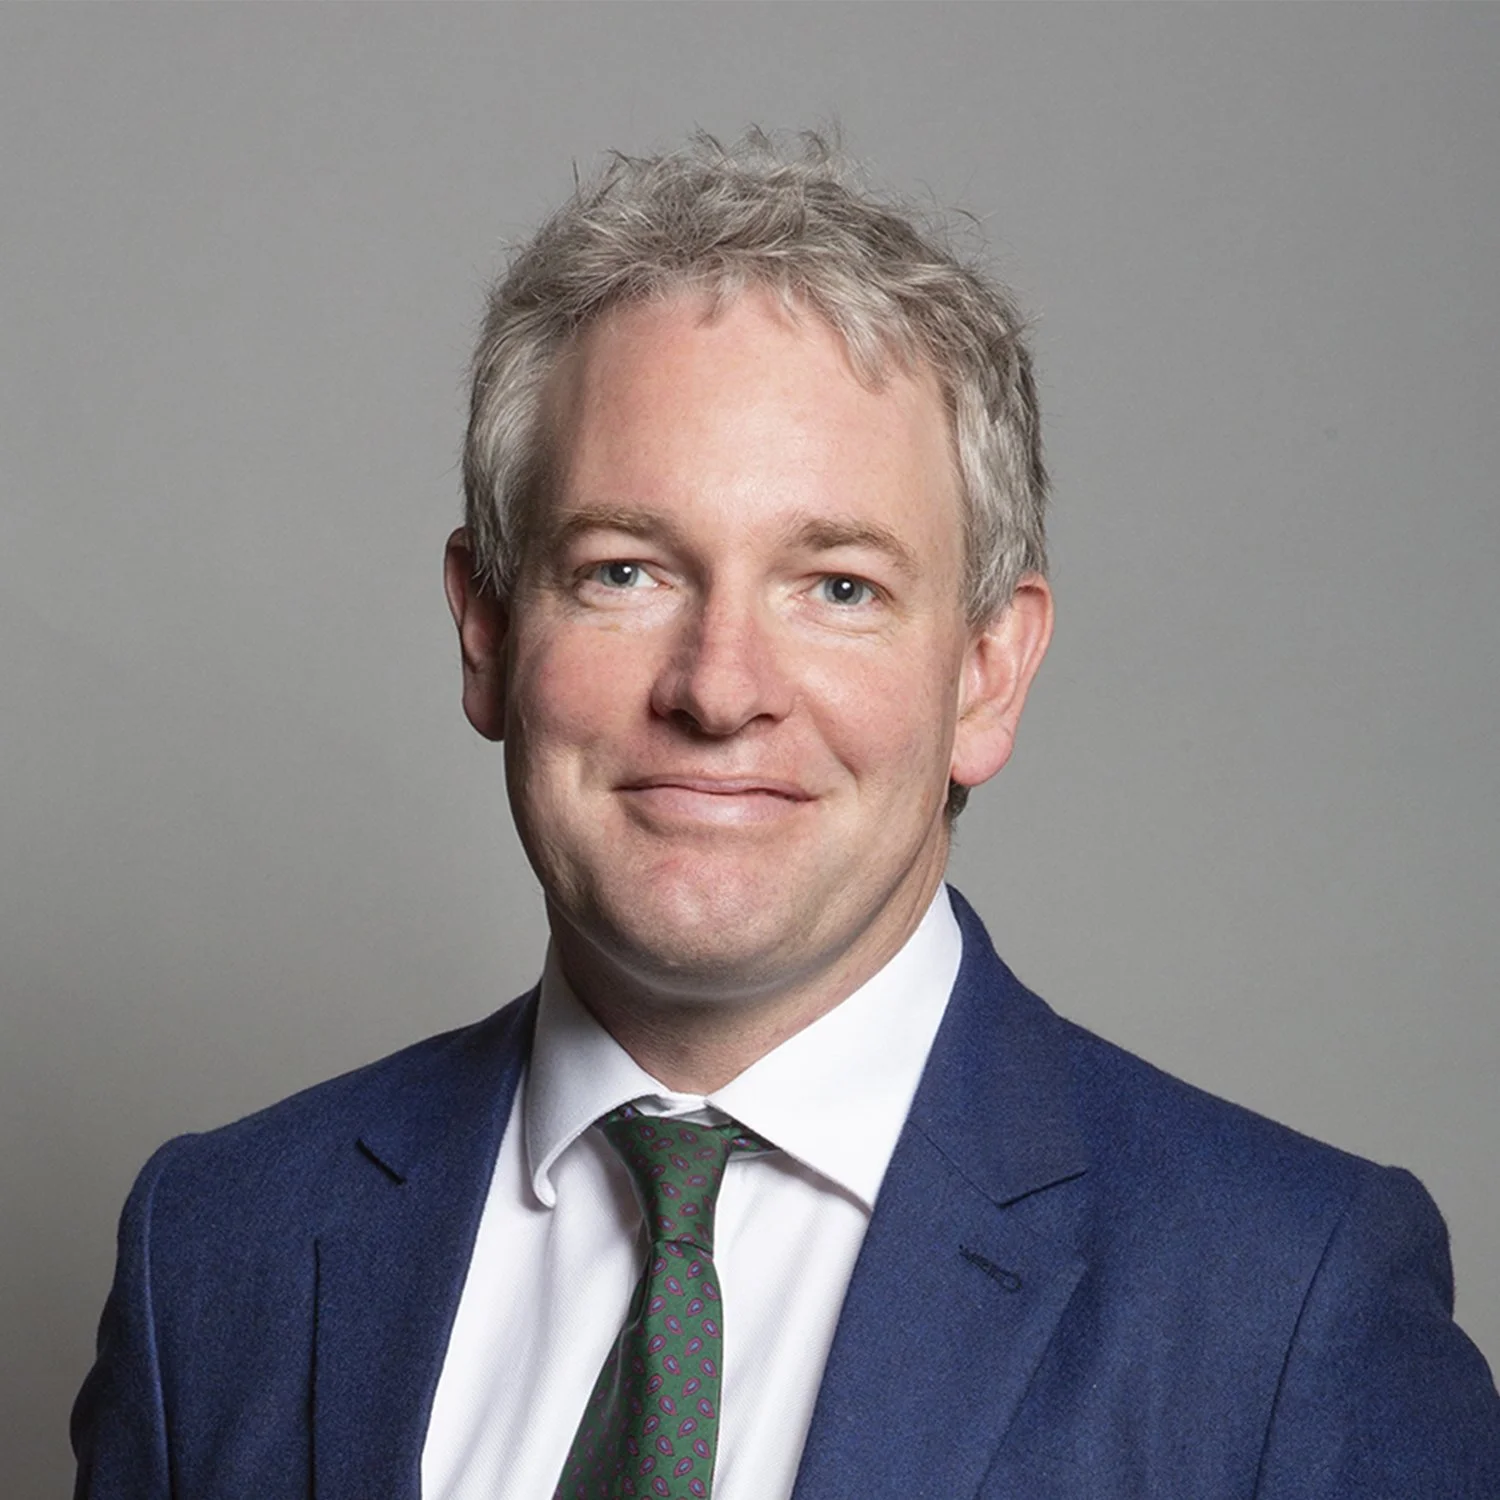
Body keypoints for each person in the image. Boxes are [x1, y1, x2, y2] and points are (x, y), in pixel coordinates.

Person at [72, 131, 1500, 1500]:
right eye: (625, 570)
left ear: (988, 673)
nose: (720, 689)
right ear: (489, 631)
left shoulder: (1289, 1307)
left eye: (838, 588)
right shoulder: (219, 1256)